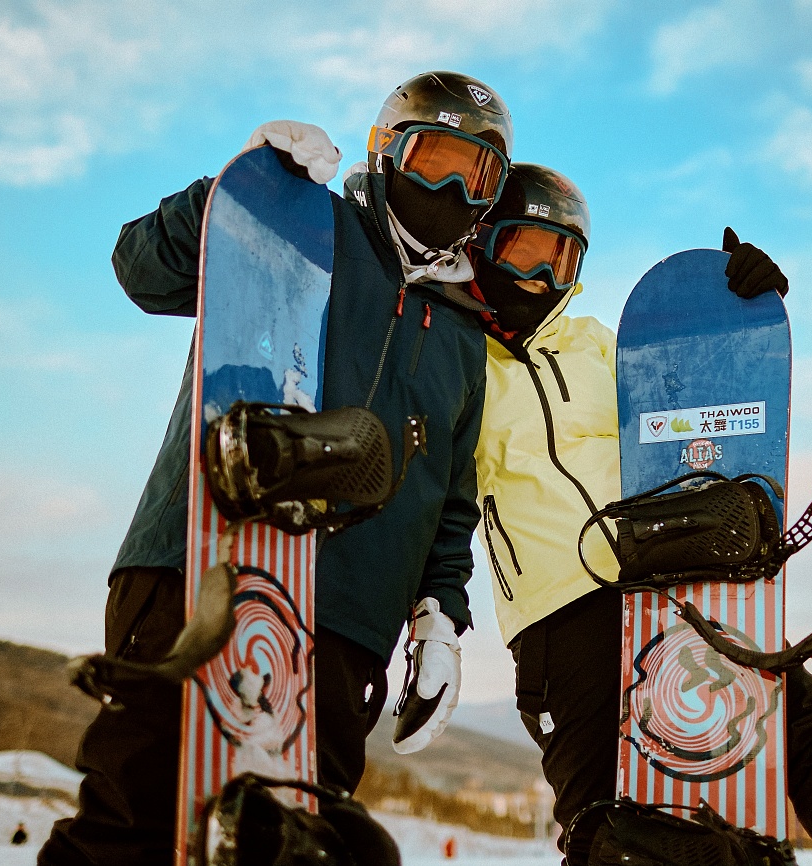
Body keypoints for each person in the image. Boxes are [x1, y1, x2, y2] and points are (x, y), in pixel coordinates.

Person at [38, 70, 510, 866]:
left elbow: (450, 501)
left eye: (479, 174)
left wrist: (439, 616)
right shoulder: (299, 222)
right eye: (434, 157)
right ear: (385, 151)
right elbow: (142, 271)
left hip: (350, 623)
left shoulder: (465, 338)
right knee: (138, 827)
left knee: (287, 848)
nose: (453, 186)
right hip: (203, 570)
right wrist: (230, 191)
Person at [463, 163, 812, 866]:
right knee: (615, 840)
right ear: (480, 242)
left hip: (679, 589)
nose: (547, 278)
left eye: (566, 259)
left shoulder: (594, 345)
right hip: (562, 624)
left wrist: (729, 315)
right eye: (528, 251)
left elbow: (688, 409)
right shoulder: (452, 359)